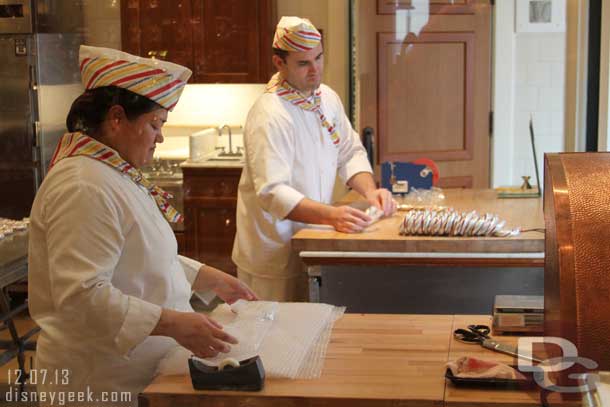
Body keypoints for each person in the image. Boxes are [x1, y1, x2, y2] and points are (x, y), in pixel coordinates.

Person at [28, 45, 256, 406]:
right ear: (117, 118)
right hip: (99, 383)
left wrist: (204, 276)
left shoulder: (110, 172)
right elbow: (81, 298)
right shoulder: (82, 185)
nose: (160, 137)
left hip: (136, 373)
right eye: (155, 124)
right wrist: (172, 323)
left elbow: (135, 254)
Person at [232, 17, 396, 302]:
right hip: (273, 252)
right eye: (303, 63)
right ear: (279, 63)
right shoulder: (270, 114)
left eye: (319, 58)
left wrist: (371, 192)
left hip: (314, 238)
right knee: (274, 338)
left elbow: (349, 152)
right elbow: (272, 192)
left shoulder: (326, 98)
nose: (315, 70)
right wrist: (332, 215)